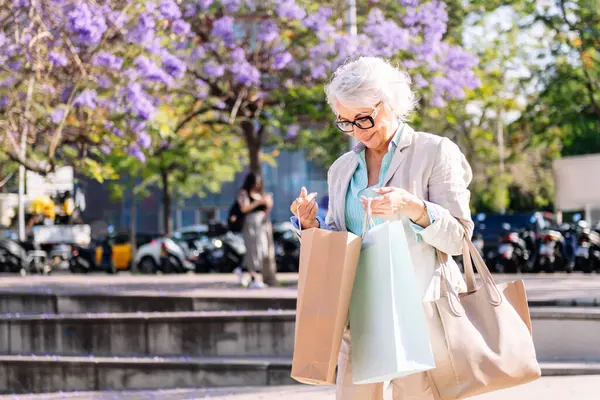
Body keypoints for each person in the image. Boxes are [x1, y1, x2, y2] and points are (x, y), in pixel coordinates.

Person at [290, 56, 473, 400]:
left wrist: (414, 207)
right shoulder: (341, 169)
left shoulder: (435, 152)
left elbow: (460, 239)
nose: (358, 131)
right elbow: (340, 243)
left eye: (364, 118)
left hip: (421, 318)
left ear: (389, 103)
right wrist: (310, 224)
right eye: (346, 122)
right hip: (357, 316)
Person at [236, 172, 276, 288]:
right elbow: (244, 208)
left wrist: (268, 203)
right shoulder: (244, 193)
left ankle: (242, 269)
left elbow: (265, 210)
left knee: (263, 249)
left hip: (261, 224)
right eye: (256, 182)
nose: (258, 185)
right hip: (250, 223)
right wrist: (259, 202)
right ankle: (255, 278)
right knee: (253, 250)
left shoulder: (260, 194)